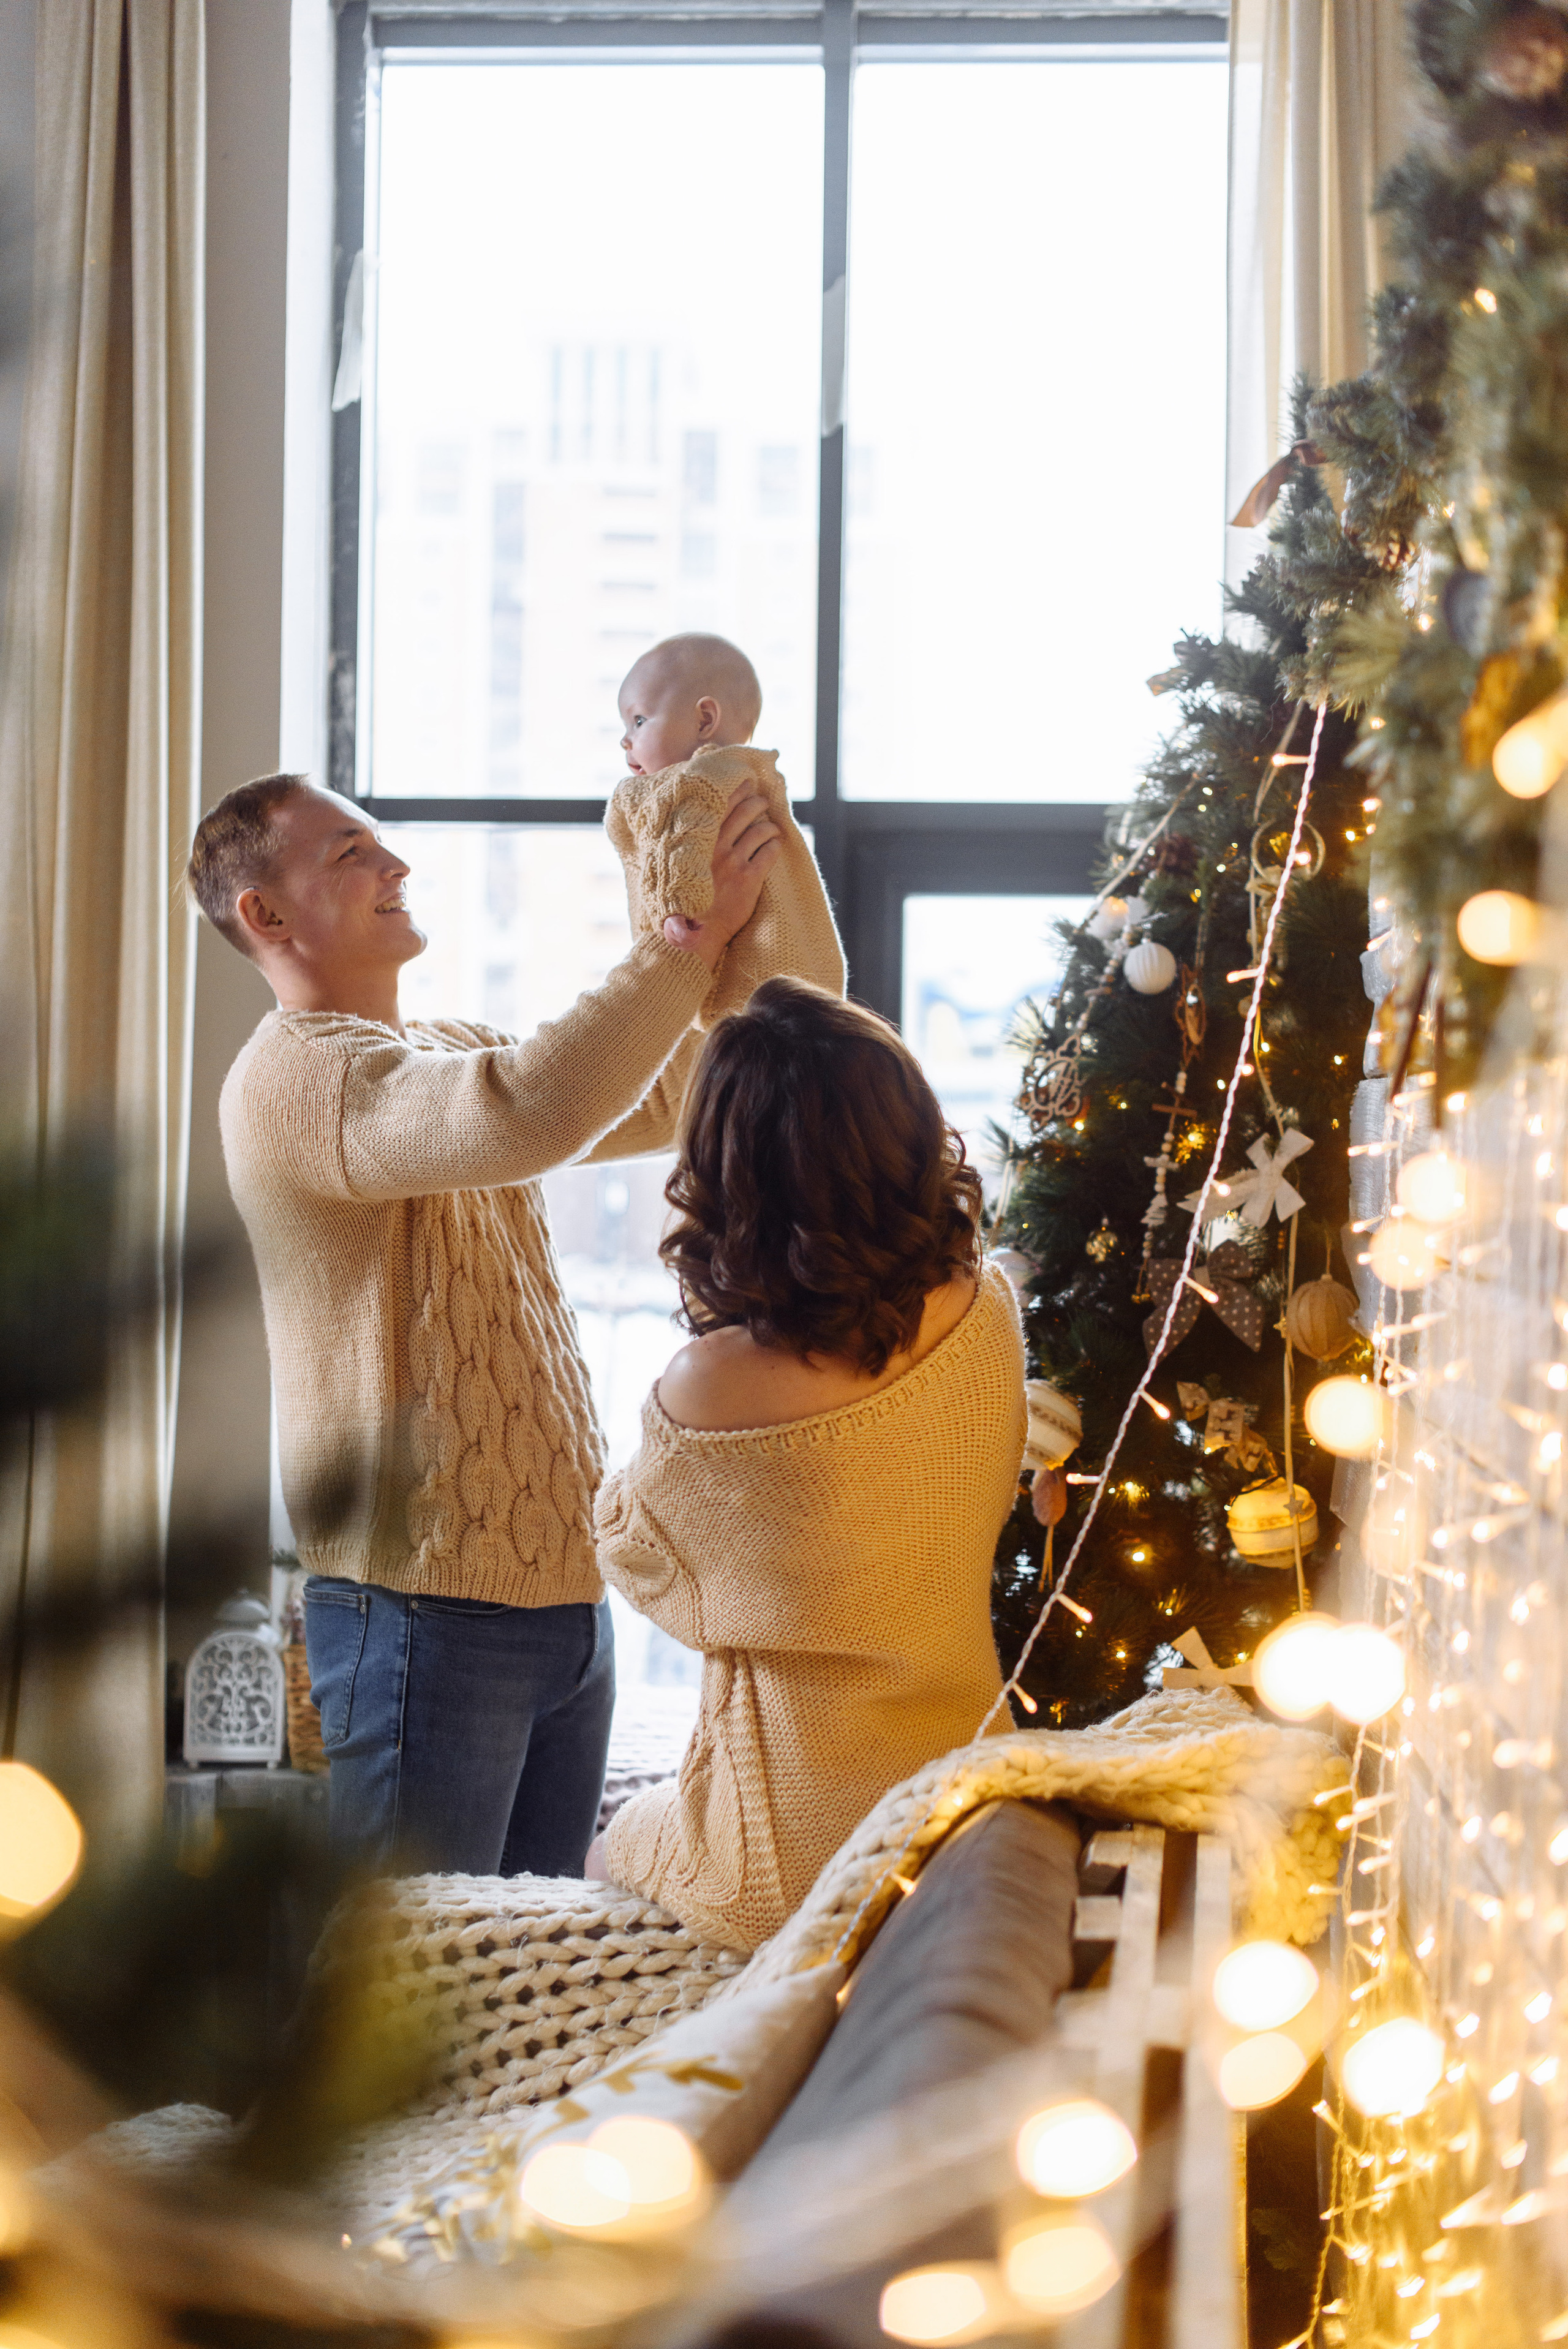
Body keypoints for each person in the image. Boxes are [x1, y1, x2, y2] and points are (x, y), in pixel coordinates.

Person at [192, 700, 838, 1878]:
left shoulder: (445, 1044)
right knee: (416, 1996)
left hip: (557, 1602)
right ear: (265, 914)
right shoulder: (295, 1085)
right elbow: (526, 1108)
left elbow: (678, 1082)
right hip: (421, 1610)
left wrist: (719, 827)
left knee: (516, 1982)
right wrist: (682, 939)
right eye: (353, 854)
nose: (396, 863)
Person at [585, 978, 1038, 1953]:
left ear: (730, 1172)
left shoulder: (711, 1386)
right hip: (961, 1801)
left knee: (603, 1848)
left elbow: (636, 1557)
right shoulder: (986, 1308)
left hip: (792, 1863)